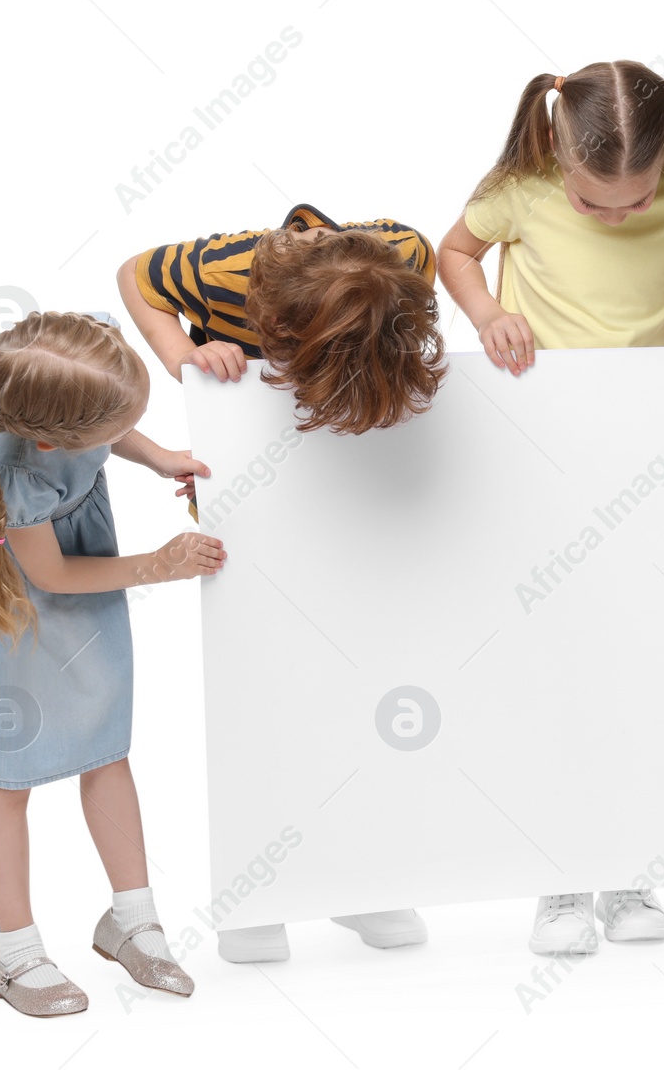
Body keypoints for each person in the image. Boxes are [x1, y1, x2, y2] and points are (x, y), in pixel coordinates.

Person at [438, 60, 664, 953]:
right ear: (553, 146)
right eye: (596, 204)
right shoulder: (522, 189)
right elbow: (452, 250)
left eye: (636, 201)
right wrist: (482, 316)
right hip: (540, 456)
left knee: (642, 660)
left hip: (648, 461)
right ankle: (559, 880)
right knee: (556, 665)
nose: (620, 216)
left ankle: (630, 869)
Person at [117, 207, 446, 962]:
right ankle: (257, 894)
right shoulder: (224, 268)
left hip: (358, 493)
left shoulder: (404, 260)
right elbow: (135, 274)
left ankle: (362, 880)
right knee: (264, 693)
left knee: (375, 691)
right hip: (256, 502)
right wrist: (183, 356)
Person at [0, 311, 226, 1016]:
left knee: (104, 741)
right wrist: (158, 564)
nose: (120, 432)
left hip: (74, 566)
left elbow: (110, 421)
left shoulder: (66, 380)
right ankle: (16, 950)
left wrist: (158, 456)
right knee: (8, 771)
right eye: (110, 428)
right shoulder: (12, 473)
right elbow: (52, 575)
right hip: (9, 595)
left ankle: (131, 916)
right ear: (53, 439)